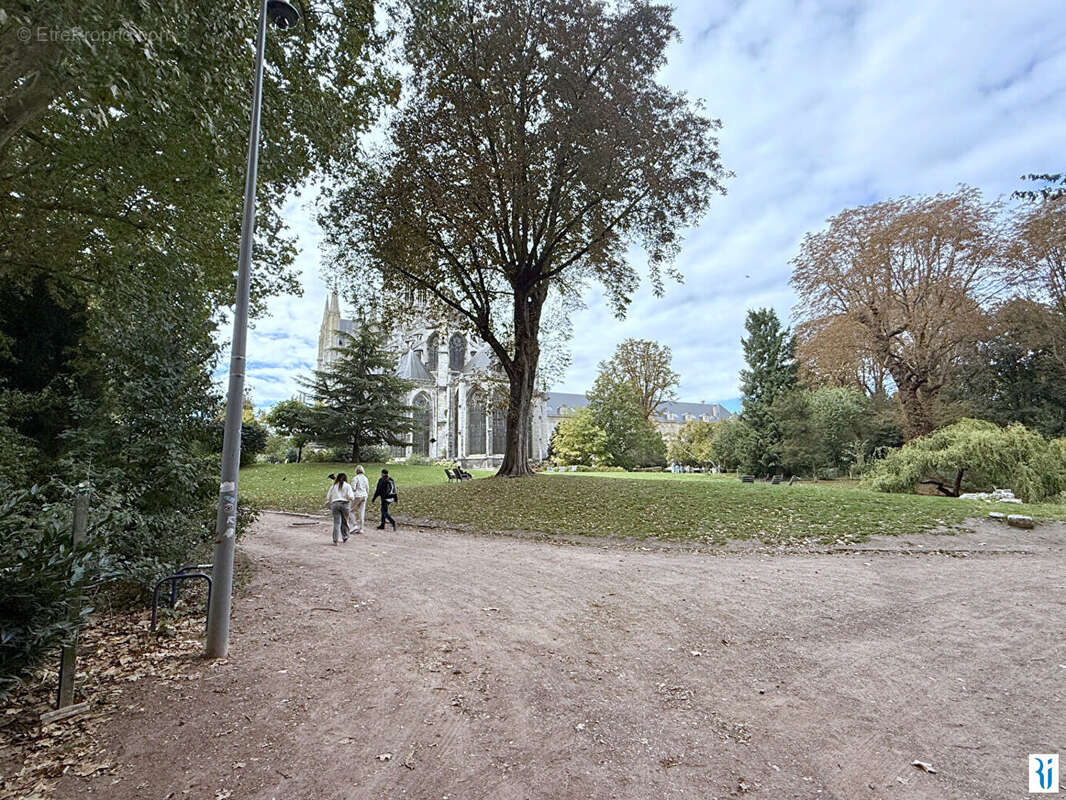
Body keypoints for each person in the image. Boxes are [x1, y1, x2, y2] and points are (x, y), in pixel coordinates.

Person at [325, 472, 355, 545]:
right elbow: (351, 496)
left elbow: (328, 496)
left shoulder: (333, 486)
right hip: (345, 504)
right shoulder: (347, 486)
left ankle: (335, 540)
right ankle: (345, 536)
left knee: (336, 522)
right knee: (345, 521)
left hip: (335, 504)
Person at [348, 465, 370, 534]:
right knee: (361, 512)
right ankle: (361, 528)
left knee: (350, 510)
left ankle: (354, 524)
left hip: (357, 495)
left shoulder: (355, 478)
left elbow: (353, 488)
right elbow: (367, 488)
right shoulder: (365, 478)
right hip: (364, 495)